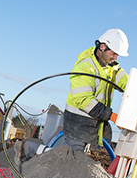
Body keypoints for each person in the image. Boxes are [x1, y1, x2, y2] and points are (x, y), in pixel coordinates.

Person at [14, 28, 129, 165]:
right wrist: (113, 116)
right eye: (114, 53)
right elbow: (83, 99)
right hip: (78, 120)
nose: (116, 57)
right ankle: (27, 148)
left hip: (96, 120)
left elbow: (127, 84)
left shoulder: (112, 67)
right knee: (68, 158)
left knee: (81, 157)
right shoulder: (85, 65)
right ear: (102, 47)